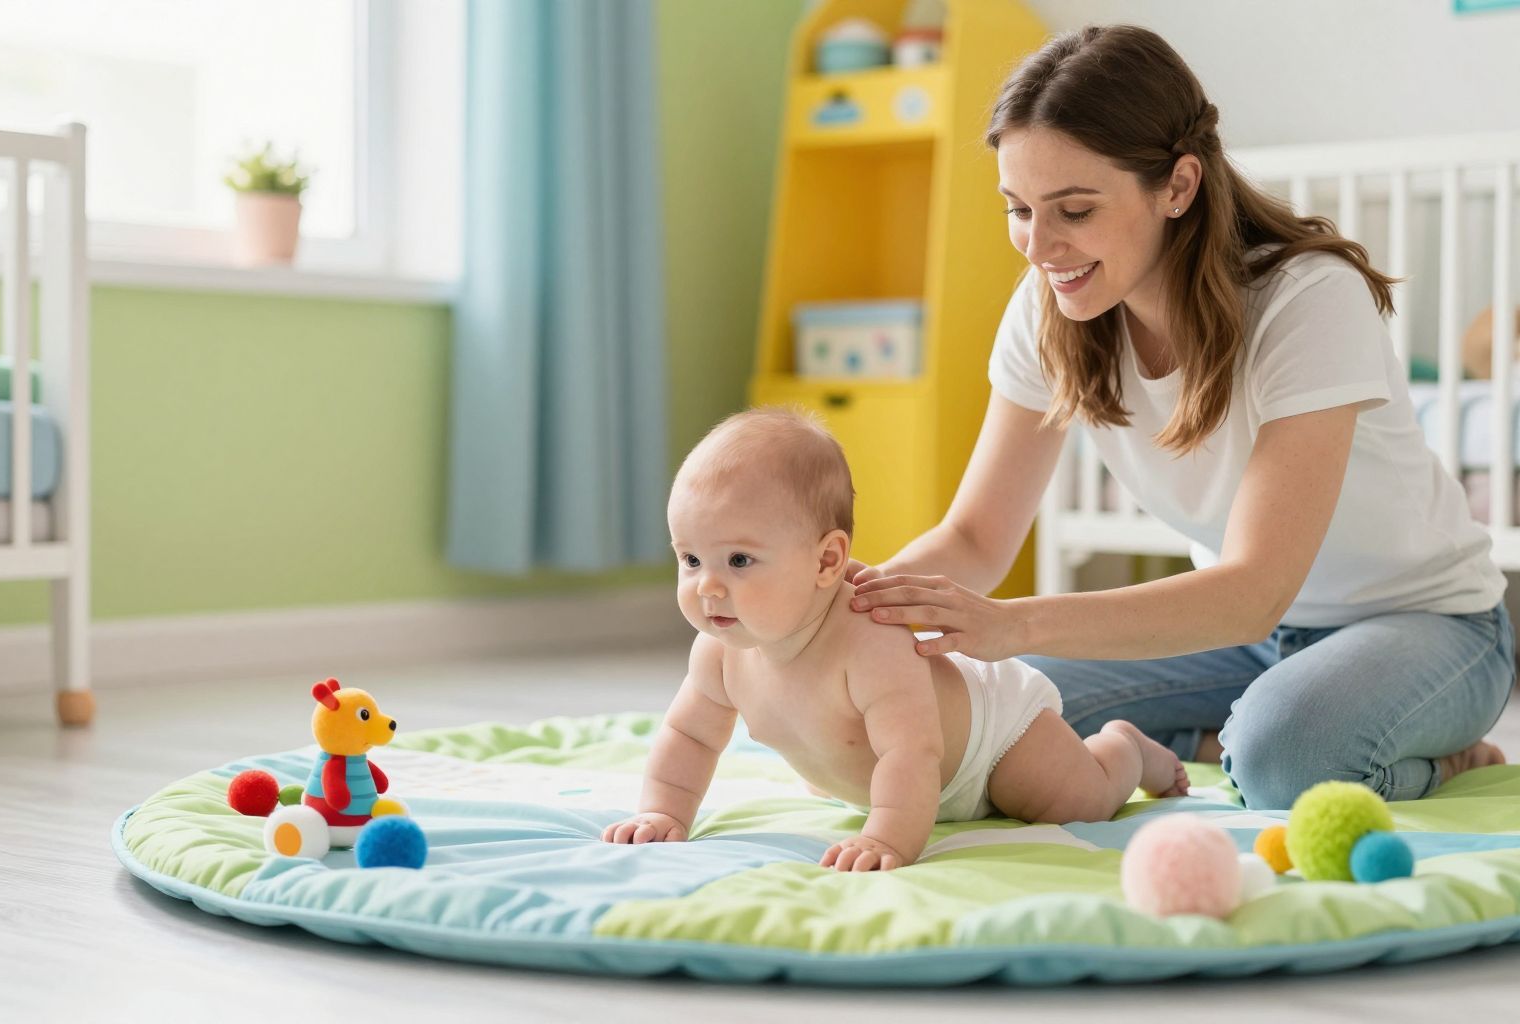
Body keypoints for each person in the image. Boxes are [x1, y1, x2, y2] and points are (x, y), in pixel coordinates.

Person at [846, 24, 1513, 810]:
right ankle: (1205, 742)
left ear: (1178, 185)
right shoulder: (1048, 308)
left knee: (1282, 757)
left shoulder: (1307, 299)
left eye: (1074, 209)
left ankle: (1441, 761)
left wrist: (1015, 624)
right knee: (994, 717)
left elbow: (1253, 589)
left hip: (1426, 625)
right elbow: (976, 538)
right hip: (1236, 641)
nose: (1039, 246)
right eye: (1018, 209)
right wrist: (850, 611)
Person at [602, 408, 1188, 872]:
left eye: (738, 560)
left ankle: (1126, 749)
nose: (707, 585)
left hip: (988, 745)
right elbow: (689, 736)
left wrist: (887, 836)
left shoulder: (869, 642)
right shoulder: (720, 653)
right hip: (881, 775)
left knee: (1074, 802)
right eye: (690, 558)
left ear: (827, 560)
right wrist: (663, 810)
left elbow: (914, 754)